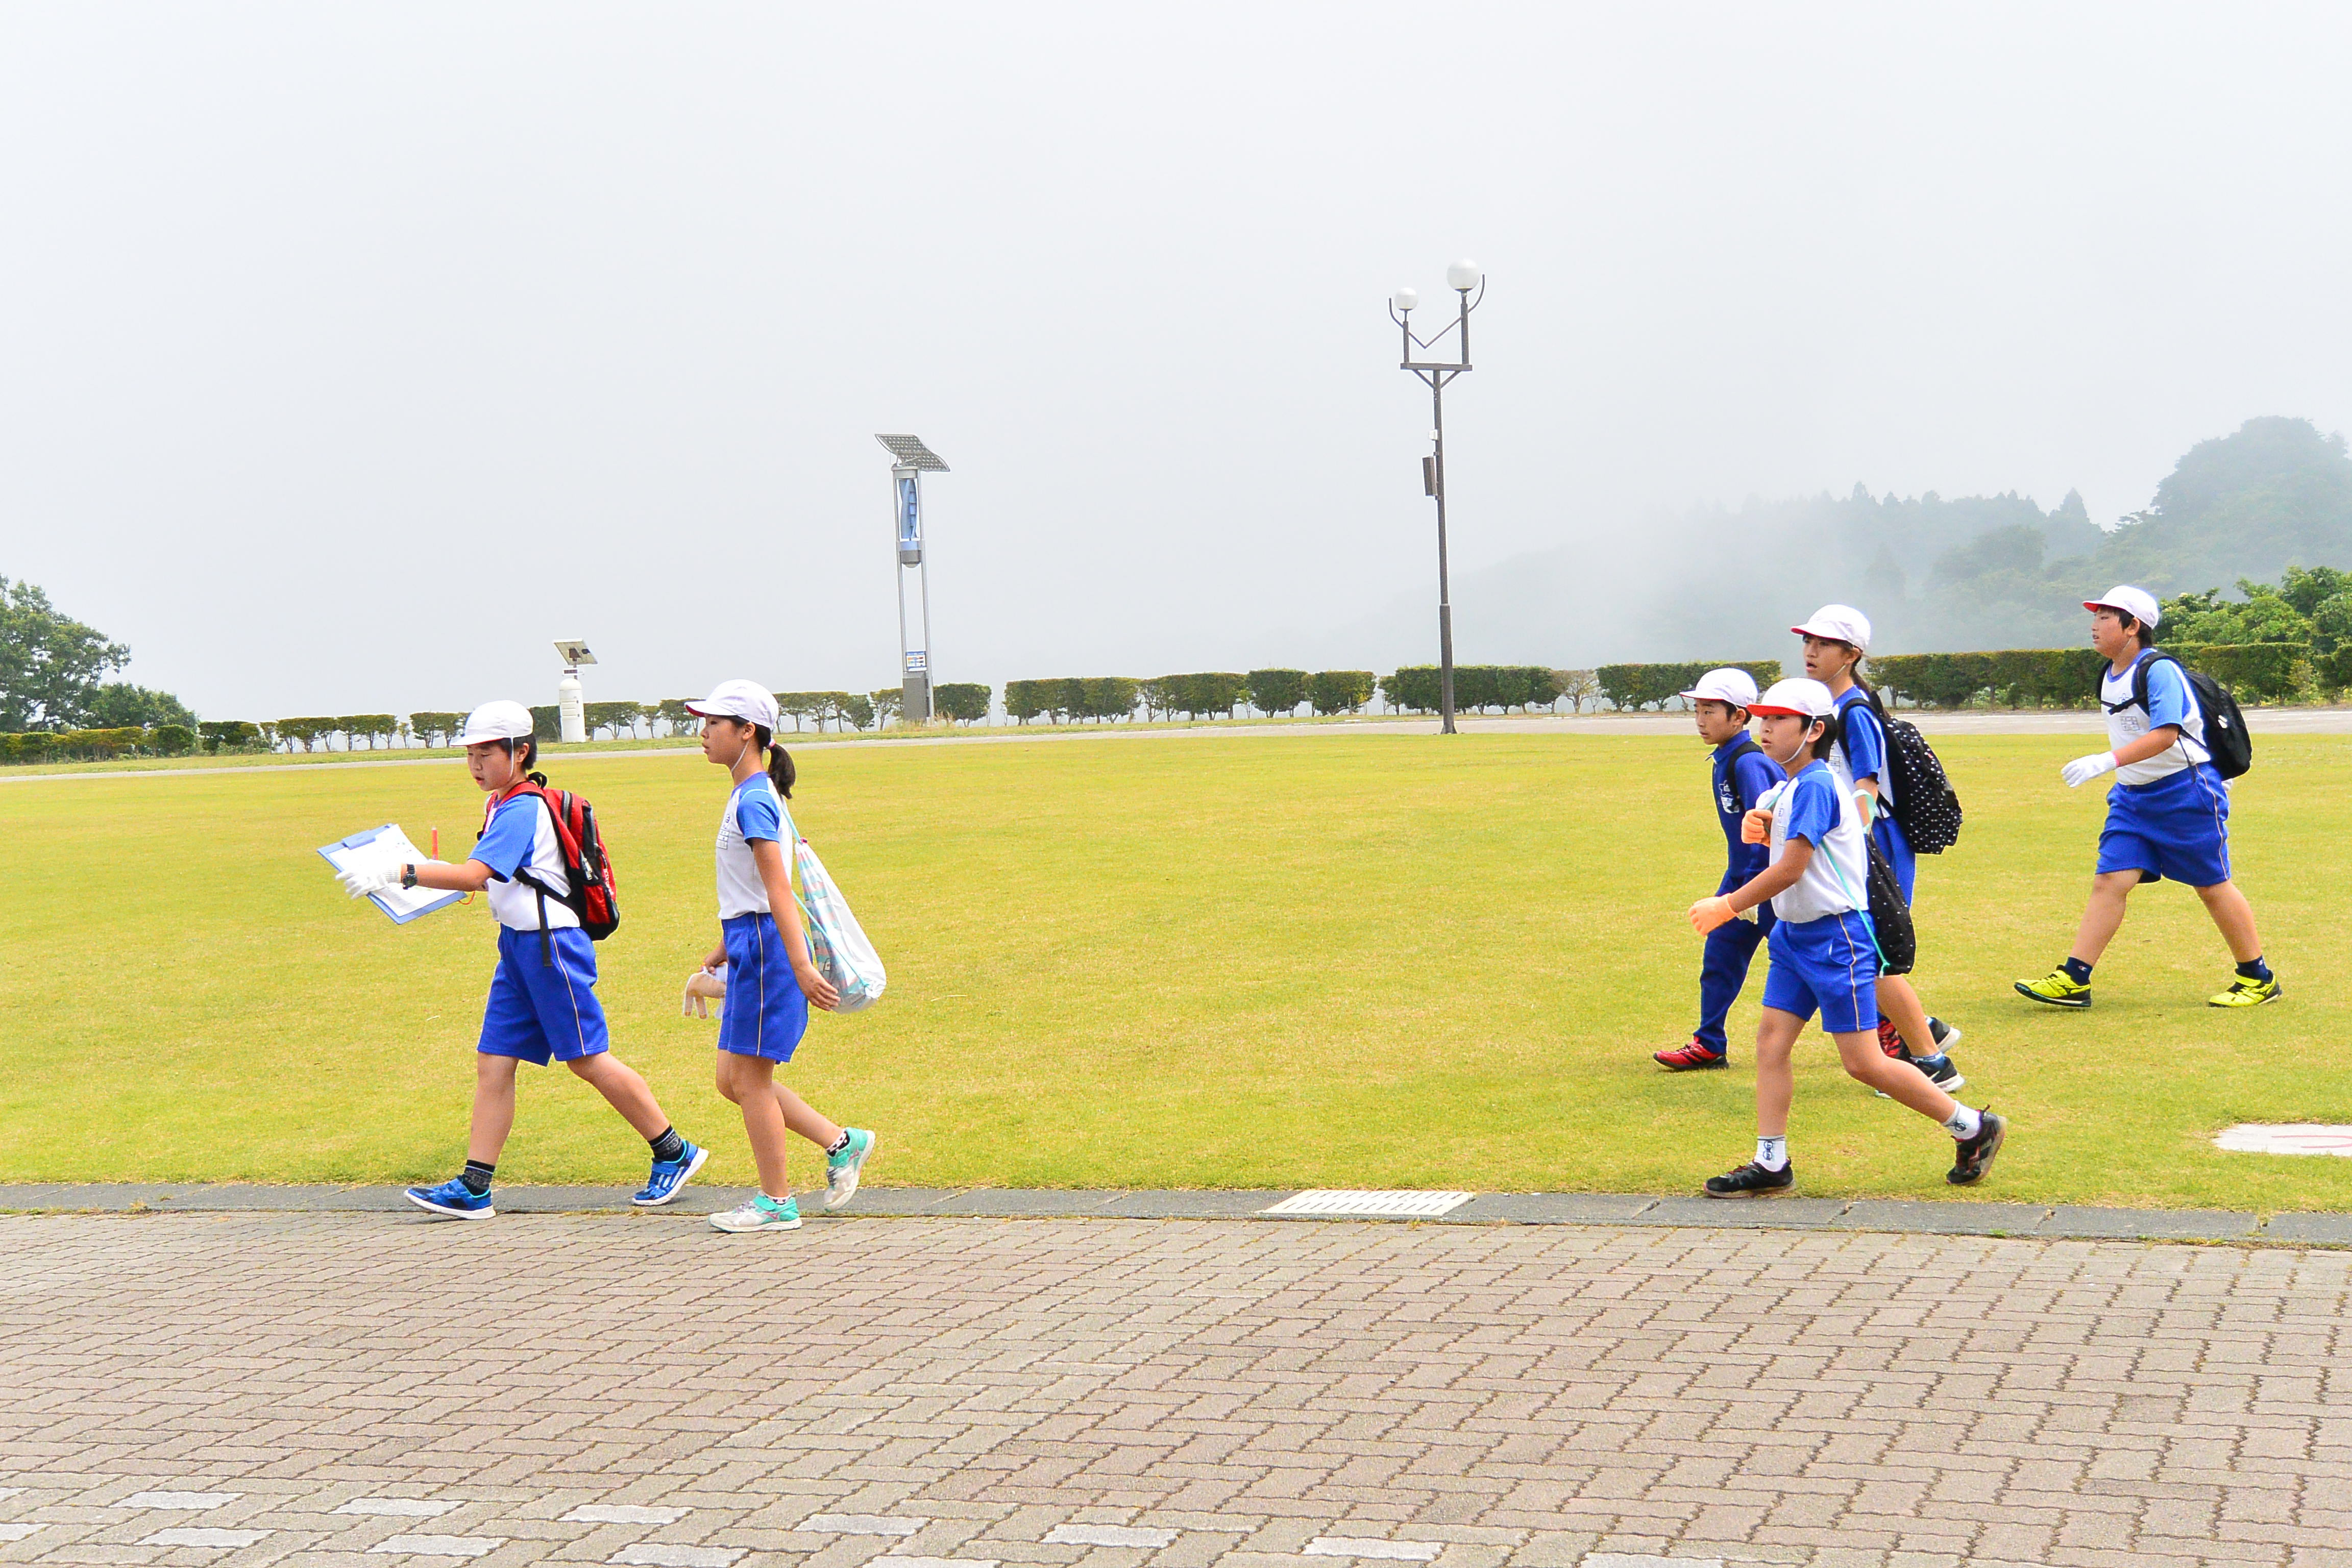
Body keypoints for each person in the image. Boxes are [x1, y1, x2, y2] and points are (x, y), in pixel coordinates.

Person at [336, 700, 705, 1220]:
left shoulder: (521, 808)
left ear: (521, 752)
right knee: (494, 1061)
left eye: (487, 753)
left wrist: (400, 872)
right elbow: (488, 880)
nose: (475, 764)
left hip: (551, 948)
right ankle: (475, 1186)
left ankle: (674, 1150)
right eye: (470, 754)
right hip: (519, 946)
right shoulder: (501, 804)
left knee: (586, 1058)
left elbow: (474, 875)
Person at [1688, 679, 2006, 1195]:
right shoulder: (1792, 786)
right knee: (1771, 1045)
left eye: (1780, 720)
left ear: (1814, 730)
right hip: (1794, 936)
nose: (1766, 729)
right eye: (1764, 719)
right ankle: (1771, 1162)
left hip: (1836, 938)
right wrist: (1763, 823)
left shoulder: (1816, 784)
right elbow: (1795, 845)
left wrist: (1727, 905)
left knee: (1864, 1063)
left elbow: (1792, 868)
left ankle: (1971, 1126)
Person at [2015, 586, 2281, 1010]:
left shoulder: (2159, 671)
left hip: (2185, 792)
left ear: (2132, 626)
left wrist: (2105, 761)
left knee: (2212, 885)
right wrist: (2116, 770)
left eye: (2105, 617)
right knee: (2110, 880)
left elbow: (2166, 734)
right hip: (2132, 797)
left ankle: (2258, 977)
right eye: (2096, 617)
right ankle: (2074, 978)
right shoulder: (2110, 673)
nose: (2094, 626)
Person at [679, 680, 877, 1234]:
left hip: (769, 951)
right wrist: (723, 948)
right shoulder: (747, 794)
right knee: (732, 1080)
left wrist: (801, 966)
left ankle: (776, 1203)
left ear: (748, 732)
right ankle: (841, 1142)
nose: (703, 733)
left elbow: (778, 892)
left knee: (749, 1081)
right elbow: (749, 890)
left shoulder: (755, 799)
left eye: (714, 723)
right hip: (749, 943)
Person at [1792, 605, 1964, 1091]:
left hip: (1874, 842)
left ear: (1851, 655)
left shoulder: (1854, 710)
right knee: (1864, 951)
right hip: (1862, 842)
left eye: (1824, 644)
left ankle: (1929, 1061)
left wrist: (1850, 842)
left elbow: (1866, 784)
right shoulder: (1836, 704)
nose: (1811, 651)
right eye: (1808, 641)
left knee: (1871, 952)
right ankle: (1925, 1032)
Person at [1655, 668, 1784, 1070]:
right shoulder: (1725, 758)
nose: (1700, 720)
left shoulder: (1749, 763)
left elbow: (1768, 830)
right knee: (1720, 956)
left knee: (1811, 965)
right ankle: (1709, 1044)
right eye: (1697, 710)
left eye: (1710, 711)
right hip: (1742, 880)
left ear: (1740, 716)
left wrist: (1748, 894)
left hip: (1769, 885)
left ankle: (1898, 1030)